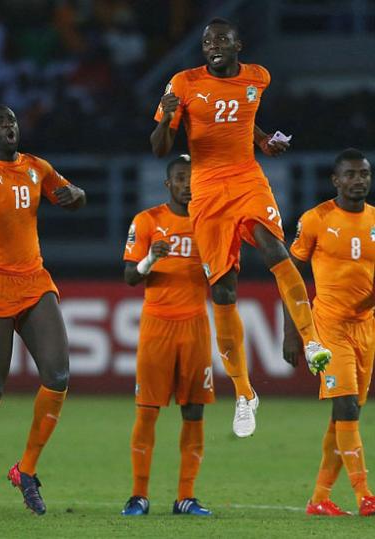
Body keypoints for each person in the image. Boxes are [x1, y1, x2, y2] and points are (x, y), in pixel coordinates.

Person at [150, 17, 331, 438]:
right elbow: (160, 148)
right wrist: (166, 120)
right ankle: (245, 393)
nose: (213, 45)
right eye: (207, 40)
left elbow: (242, 119)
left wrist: (264, 140)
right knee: (224, 290)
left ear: (238, 46)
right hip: (208, 189)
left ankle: (312, 339)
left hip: (248, 178)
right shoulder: (182, 82)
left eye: (221, 40)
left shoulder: (257, 78)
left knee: (275, 250)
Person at [0, 104, 86, 518]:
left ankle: (25, 469)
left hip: (33, 281)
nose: (9, 127)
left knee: (58, 374)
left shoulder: (36, 167)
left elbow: (72, 196)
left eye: (12, 121)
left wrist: (77, 197)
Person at [121, 155, 214, 517]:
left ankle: (185, 497)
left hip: (195, 326)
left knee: (194, 412)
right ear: (168, 183)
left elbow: (224, 275)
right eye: (180, 178)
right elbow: (130, 275)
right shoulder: (147, 221)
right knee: (147, 412)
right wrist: (149, 261)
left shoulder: (210, 223)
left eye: (192, 177)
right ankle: (138, 496)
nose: (187, 183)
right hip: (157, 325)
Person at [285, 149, 375, 517]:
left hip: (366, 326)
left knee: (344, 416)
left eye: (364, 174)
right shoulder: (315, 219)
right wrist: (292, 335)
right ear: (336, 180)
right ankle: (365, 495)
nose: (359, 180)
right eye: (351, 174)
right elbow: (289, 278)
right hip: (329, 326)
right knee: (346, 406)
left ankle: (319, 498)